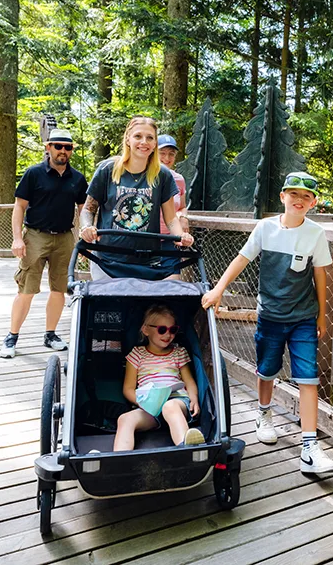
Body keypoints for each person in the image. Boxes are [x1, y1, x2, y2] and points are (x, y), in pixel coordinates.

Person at [201, 171, 333, 474]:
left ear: (314, 202)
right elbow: (242, 258)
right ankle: (263, 414)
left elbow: (321, 276)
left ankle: (310, 447)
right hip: (270, 316)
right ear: (283, 197)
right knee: (267, 370)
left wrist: (322, 315)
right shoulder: (265, 229)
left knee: (308, 377)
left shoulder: (315, 234)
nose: (299, 200)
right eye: (294, 194)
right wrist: (218, 289)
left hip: (303, 317)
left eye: (306, 196)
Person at [0, 128, 88, 359]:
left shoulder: (77, 178)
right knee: (26, 290)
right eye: (58, 146)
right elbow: (19, 206)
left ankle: (50, 334)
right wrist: (17, 238)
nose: (63, 151)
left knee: (59, 290)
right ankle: (12, 336)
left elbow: (83, 210)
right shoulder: (34, 173)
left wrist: (82, 241)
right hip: (35, 236)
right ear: (48, 148)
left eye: (67, 147)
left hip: (64, 238)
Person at [79, 116, 194, 279]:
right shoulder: (108, 169)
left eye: (150, 138)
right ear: (128, 139)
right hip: (107, 259)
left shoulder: (163, 175)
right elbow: (88, 209)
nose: (144, 142)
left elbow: (171, 219)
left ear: (155, 143)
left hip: (145, 261)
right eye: (138, 136)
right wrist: (86, 228)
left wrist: (180, 236)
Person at [114, 304, 204, 450]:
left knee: (170, 406)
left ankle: (186, 447)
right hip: (150, 407)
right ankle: (118, 459)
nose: (168, 335)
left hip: (177, 402)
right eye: (162, 330)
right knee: (125, 419)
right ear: (146, 330)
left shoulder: (178, 352)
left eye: (173, 330)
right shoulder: (137, 354)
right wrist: (143, 403)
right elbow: (128, 388)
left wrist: (193, 398)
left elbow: (189, 381)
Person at [157, 134, 189, 278]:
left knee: (172, 285)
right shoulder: (142, 177)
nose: (167, 158)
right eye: (162, 153)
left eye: (171, 154)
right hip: (144, 240)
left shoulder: (178, 179)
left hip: (170, 240)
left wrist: (183, 217)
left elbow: (181, 206)